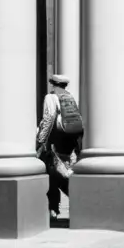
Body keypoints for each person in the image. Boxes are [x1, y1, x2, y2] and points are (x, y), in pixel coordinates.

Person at [37, 75, 84, 220]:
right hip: (69, 140)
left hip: (55, 140)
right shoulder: (70, 97)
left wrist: (41, 139)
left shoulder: (50, 98)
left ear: (52, 84)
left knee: (54, 172)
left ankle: (56, 208)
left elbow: (49, 117)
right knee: (61, 169)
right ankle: (72, 201)